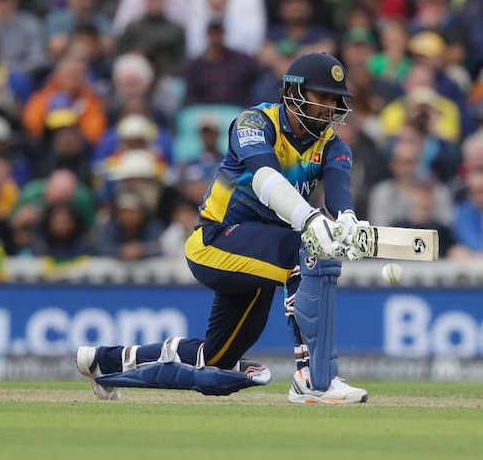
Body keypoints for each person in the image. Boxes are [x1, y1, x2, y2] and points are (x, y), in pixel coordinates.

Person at [76, 52, 370, 404]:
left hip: (261, 254)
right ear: (294, 93)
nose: (330, 107)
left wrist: (348, 222)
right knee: (305, 252)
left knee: (217, 360)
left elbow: (339, 192)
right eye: (322, 97)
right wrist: (310, 220)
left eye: (335, 100)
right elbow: (265, 178)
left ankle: (105, 362)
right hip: (216, 241)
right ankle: (314, 378)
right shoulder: (254, 122)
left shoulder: (334, 147)